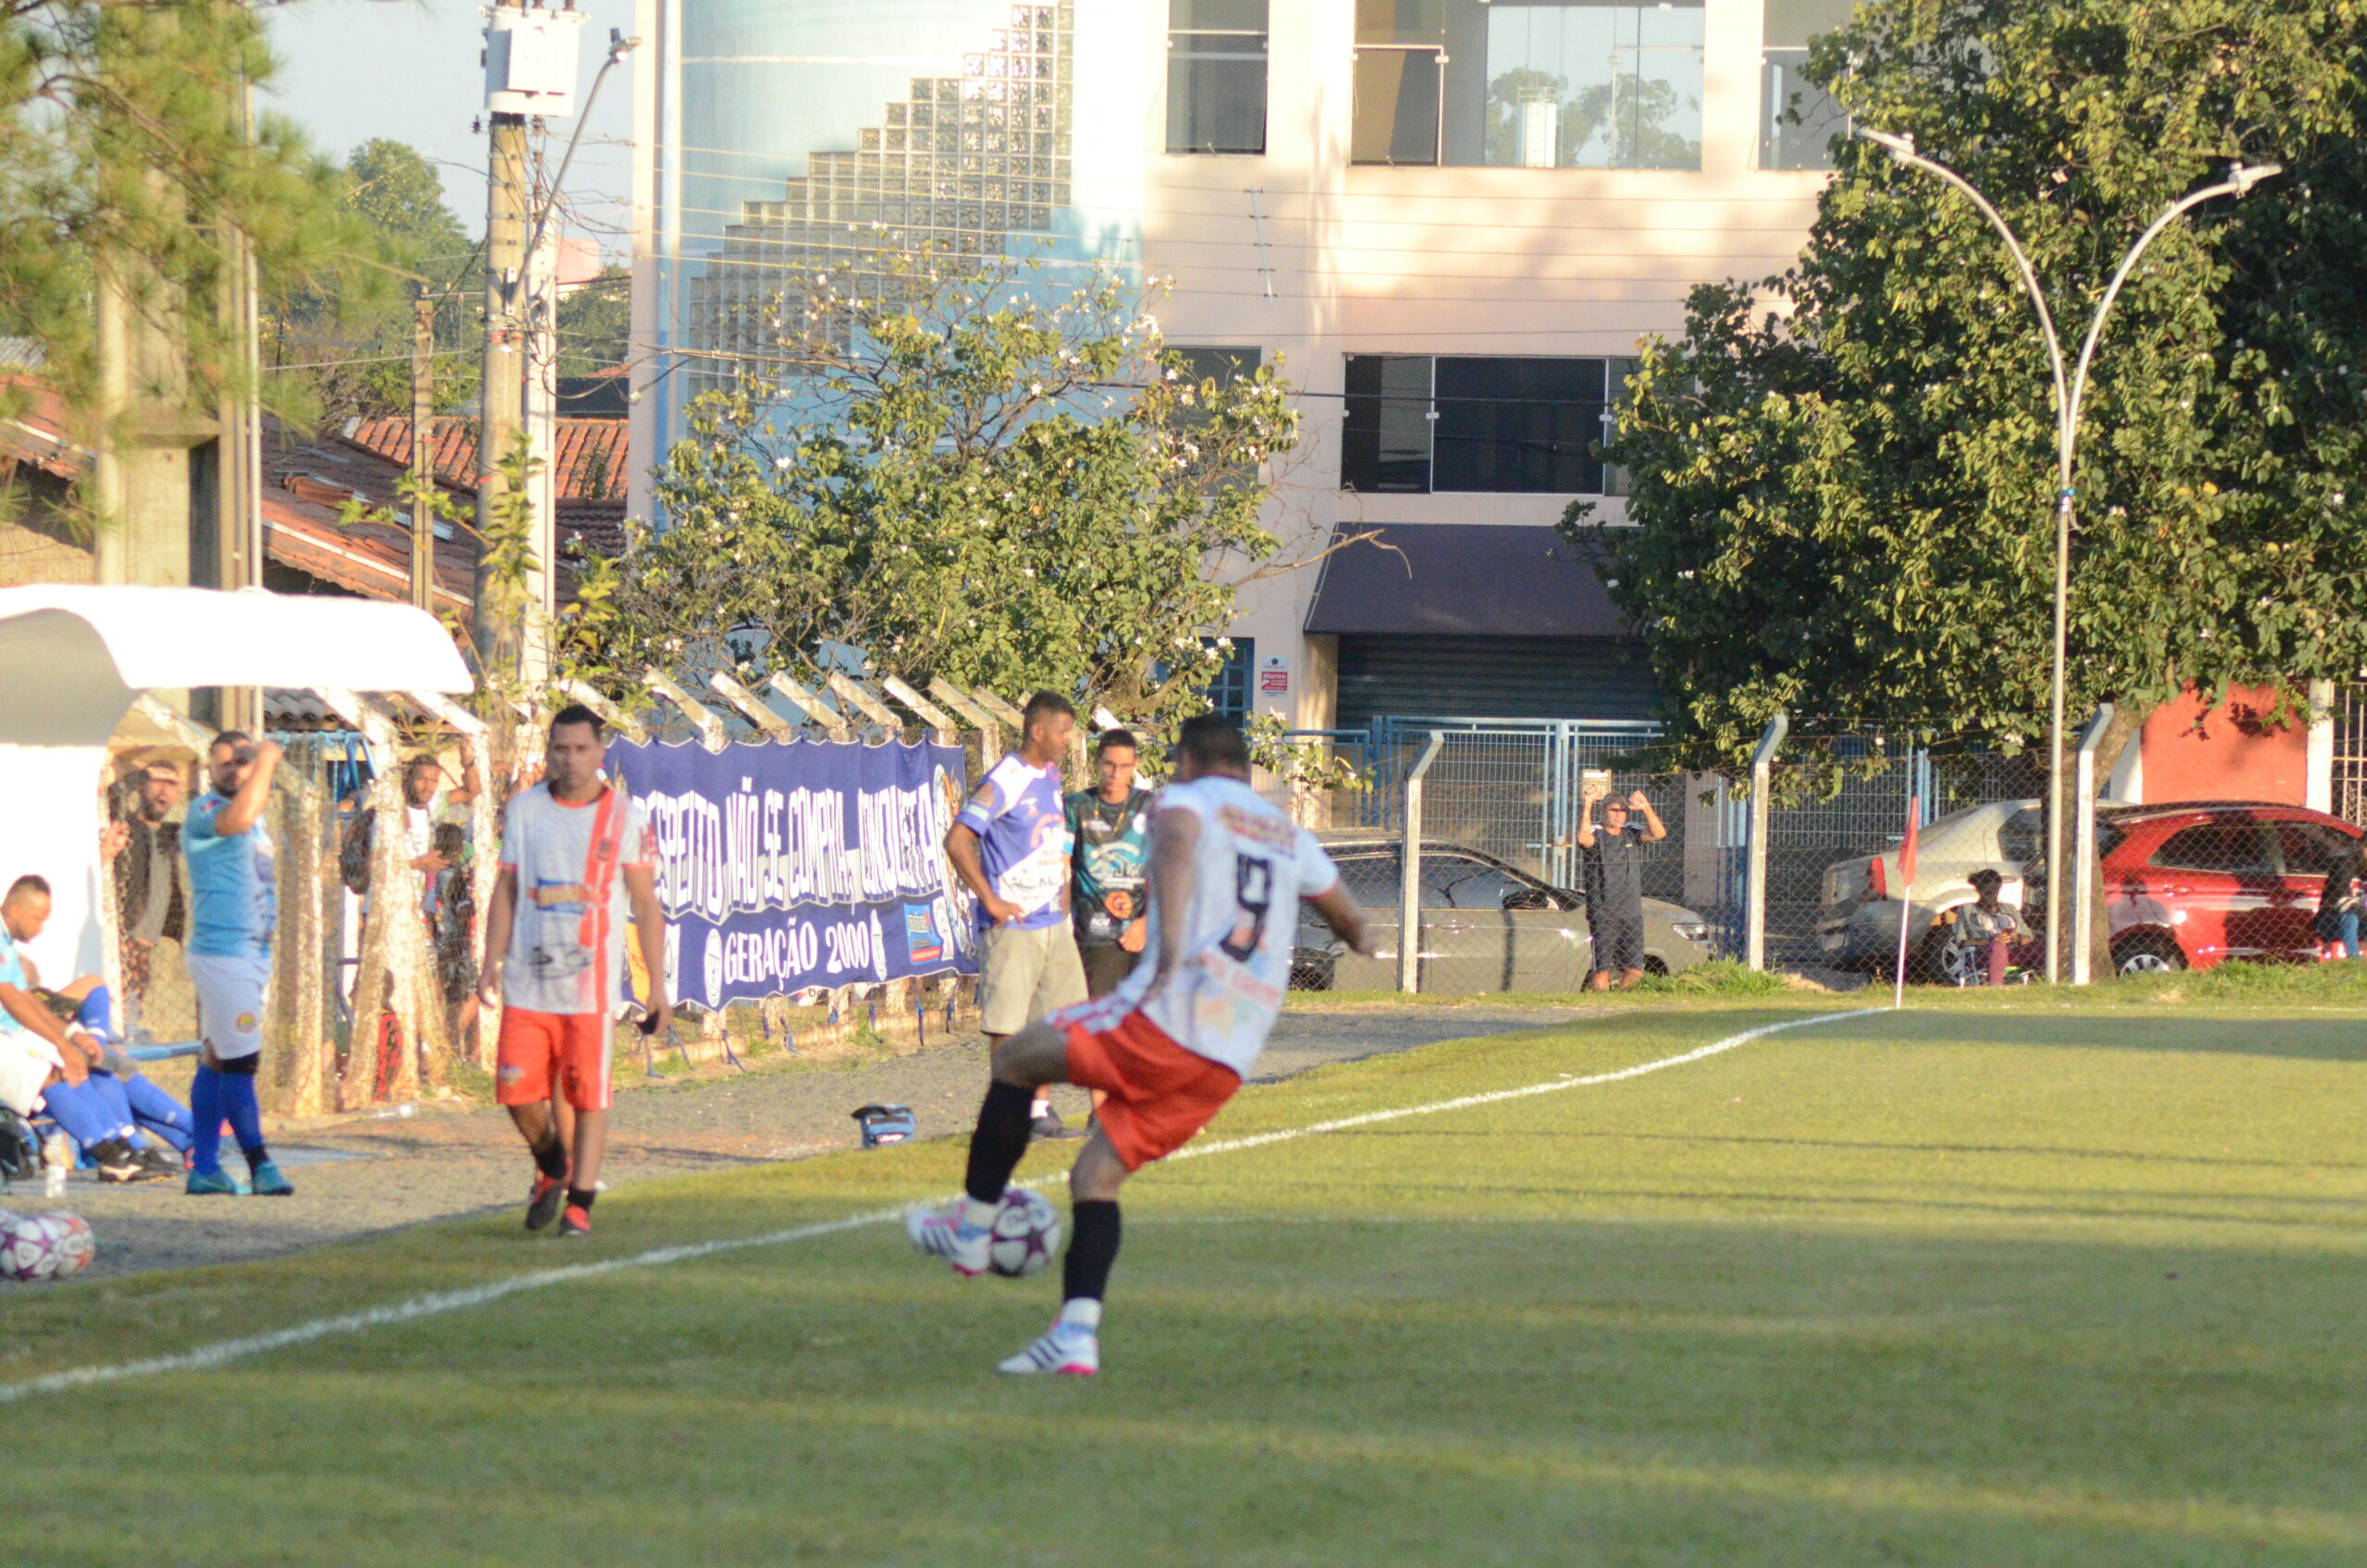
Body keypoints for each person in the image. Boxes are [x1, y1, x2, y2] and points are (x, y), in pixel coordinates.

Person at [908, 715, 1377, 1377]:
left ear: (1186, 763)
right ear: (1245, 769)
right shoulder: (1287, 833)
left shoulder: (1186, 802)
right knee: (1094, 1177)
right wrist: (1364, 939)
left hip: (1171, 1016)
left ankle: (974, 1227)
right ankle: (1076, 1334)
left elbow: (1177, 849)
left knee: (1014, 1059)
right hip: (1226, 1060)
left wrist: (1173, 947)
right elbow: (1350, 920)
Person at [477, 704, 671, 1238]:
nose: (571, 759)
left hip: (590, 989)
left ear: (599, 752)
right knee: (516, 1093)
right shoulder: (525, 810)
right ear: (550, 752)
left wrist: (656, 986)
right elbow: (507, 887)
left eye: (581, 749)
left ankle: (580, 1205)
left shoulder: (625, 817)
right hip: (528, 982)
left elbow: (645, 905)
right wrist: (491, 959)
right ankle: (551, 1162)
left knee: (588, 1098)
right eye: (561, 749)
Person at [944, 692, 1089, 1141]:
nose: (1068, 740)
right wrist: (990, 899)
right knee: (1008, 1026)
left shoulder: (1051, 774)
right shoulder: (1006, 779)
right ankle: (1008, 1116)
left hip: (1052, 922)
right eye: (1063, 731)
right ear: (1037, 731)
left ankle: (1038, 1112)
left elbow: (1052, 840)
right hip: (1013, 926)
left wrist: (1062, 897)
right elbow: (958, 840)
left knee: (1055, 1023)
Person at [0, 876, 190, 1167]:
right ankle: (119, 1154)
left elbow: (25, 997)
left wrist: (72, 1037)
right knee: (62, 1072)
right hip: (12, 1039)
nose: (41, 928)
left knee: (99, 1061)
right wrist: (64, 1043)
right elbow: (12, 998)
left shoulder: (6, 943)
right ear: (15, 909)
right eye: (37, 918)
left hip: (16, 1036)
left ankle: (133, 1148)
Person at [182, 730, 293, 1196]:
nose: (234, 769)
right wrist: (266, 759)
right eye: (224, 761)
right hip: (224, 956)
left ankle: (205, 1167)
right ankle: (260, 1164)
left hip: (250, 956)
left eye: (241, 760)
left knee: (217, 1058)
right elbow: (238, 817)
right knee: (242, 1062)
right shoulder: (205, 809)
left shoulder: (257, 819)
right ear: (210, 768)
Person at [1066, 729, 1155, 999]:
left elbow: (1171, 872)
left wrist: (1146, 922)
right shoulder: (1076, 807)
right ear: (1097, 762)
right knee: (1101, 1016)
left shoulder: (1152, 807)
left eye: (1125, 766)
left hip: (1145, 933)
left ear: (1135, 766)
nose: (1116, 774)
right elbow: (1060, 867)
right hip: (1095, 934)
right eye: (1109, 765)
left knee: (1142, 1019)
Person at [108, 759, 187, 1025]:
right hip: (125, 936)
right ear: (142, 787)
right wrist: (140, 775)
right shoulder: (128, 827)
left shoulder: (171, 835)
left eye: (171, 784)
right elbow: (112, 797)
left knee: (132, 1015)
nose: (163, 790)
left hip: (146, 946)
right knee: (119, 1010)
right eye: (157, 782)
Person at [1575, 788, 1666, 991]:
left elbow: (1659, 833)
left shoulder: (1630, 833)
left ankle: (1622, 1004)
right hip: (1603, 912)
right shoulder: (1596, 833)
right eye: (1614, 810)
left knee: (1634, 969)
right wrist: (1588, 804)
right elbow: (1583, 839)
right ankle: (1601, 1005)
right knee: (1602, 970)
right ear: (1604, 811)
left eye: (1623, 811)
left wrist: (1646, 808)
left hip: (1631, 912)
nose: (1619, 815)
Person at [1954, 868, 2031, 986]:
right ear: (1978, 890)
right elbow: (1961, 942)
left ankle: (2049, 984)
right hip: (1985, 952)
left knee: (2042, 945)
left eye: (1995, 891)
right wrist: (1992, 940)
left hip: (2014, 949)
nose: (1992, 895)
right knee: (1998, 946)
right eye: (1987, 891)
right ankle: (1996, 987)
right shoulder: (1967, 909)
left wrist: (2018, 938)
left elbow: (2028, 935)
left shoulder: (2009, 908)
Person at [2317, 841, 2364, 960]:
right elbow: (2338, 901)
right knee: (2351, 917)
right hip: (2331, 916)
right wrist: (2358, 908)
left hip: (2359, 915)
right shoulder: (2344, 865)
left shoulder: (2362, 866)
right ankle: (2354, 959)